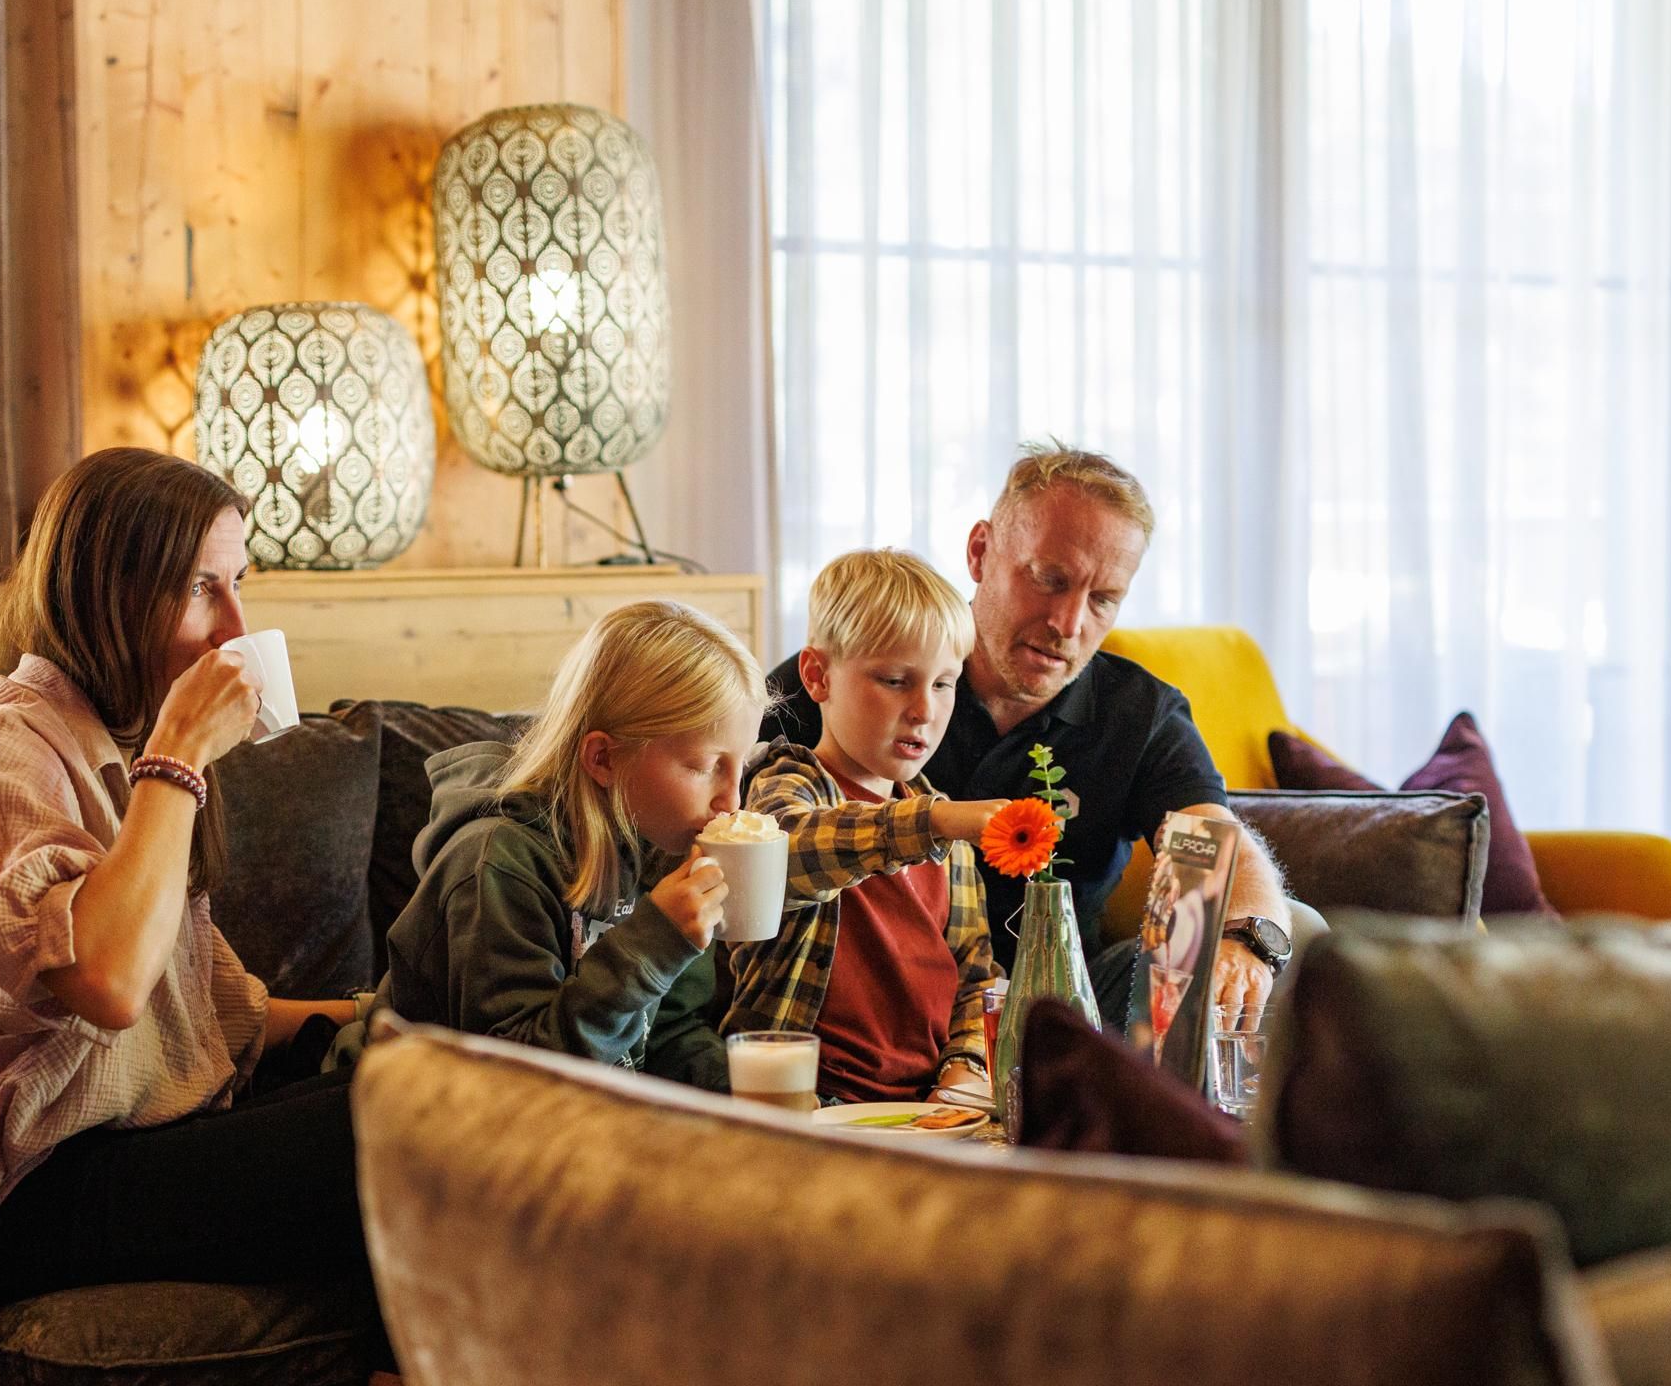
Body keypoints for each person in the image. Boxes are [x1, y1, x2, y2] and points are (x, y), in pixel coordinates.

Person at [0, 447, 488, 1386]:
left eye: (241, 586)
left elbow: (211, 1014)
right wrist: (179, 759)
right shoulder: (13, 753)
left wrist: (374, 1020)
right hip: (22, 1189)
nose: (238, 626)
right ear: (116, 592)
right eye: (208, 591)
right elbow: (104, 983)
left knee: (444, 1087)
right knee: (409, 1125)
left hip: (130, 1146)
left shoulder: (105, 738)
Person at [762, 442, 1294, 1019]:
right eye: (1049, 579)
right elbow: (734, 834)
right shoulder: (848, 677)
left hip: (1067, 1011)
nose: (1068, 624)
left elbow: (1211, 842)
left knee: (1295, 939)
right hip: (868, 1011)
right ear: (980, 552)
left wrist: (1247, 941)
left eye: (1104, 599)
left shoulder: (1141, 714)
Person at [379, 598, 761, 1089]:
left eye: (742, 765)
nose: (731, 801)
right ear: (603, 758)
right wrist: (652, 948)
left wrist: (758, 1098)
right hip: (417, 1114)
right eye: (704, 766)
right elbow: (517, 1079)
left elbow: (666, 1036)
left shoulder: (661, 846)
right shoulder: (496, 861)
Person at [724, 550, 1009, 1105]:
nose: (925, 710)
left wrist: (965, 1067)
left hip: (928, 1105)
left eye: (945, 684)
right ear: (818, 675)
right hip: (808, 1099)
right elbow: (790, 851)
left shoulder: (945, 834)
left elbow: (975, 980)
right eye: (896, 680)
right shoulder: (786, 784)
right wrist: (938, 821)